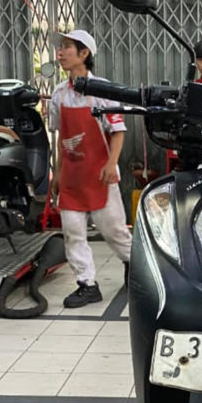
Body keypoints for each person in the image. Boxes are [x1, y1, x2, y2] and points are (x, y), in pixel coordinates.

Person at [48, 29, 132, 308]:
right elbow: (61, 137)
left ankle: (134, 266)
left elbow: (118, 130)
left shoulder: (102, 91)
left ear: (84, 53)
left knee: (115, 231)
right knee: (73, 233)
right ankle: (87, 284)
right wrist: (58, 172)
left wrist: (111, 164)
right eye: (60, 48)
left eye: (67, 47)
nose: (60, 53)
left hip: (100, 175)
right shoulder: (59, 94)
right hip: (72, 178)